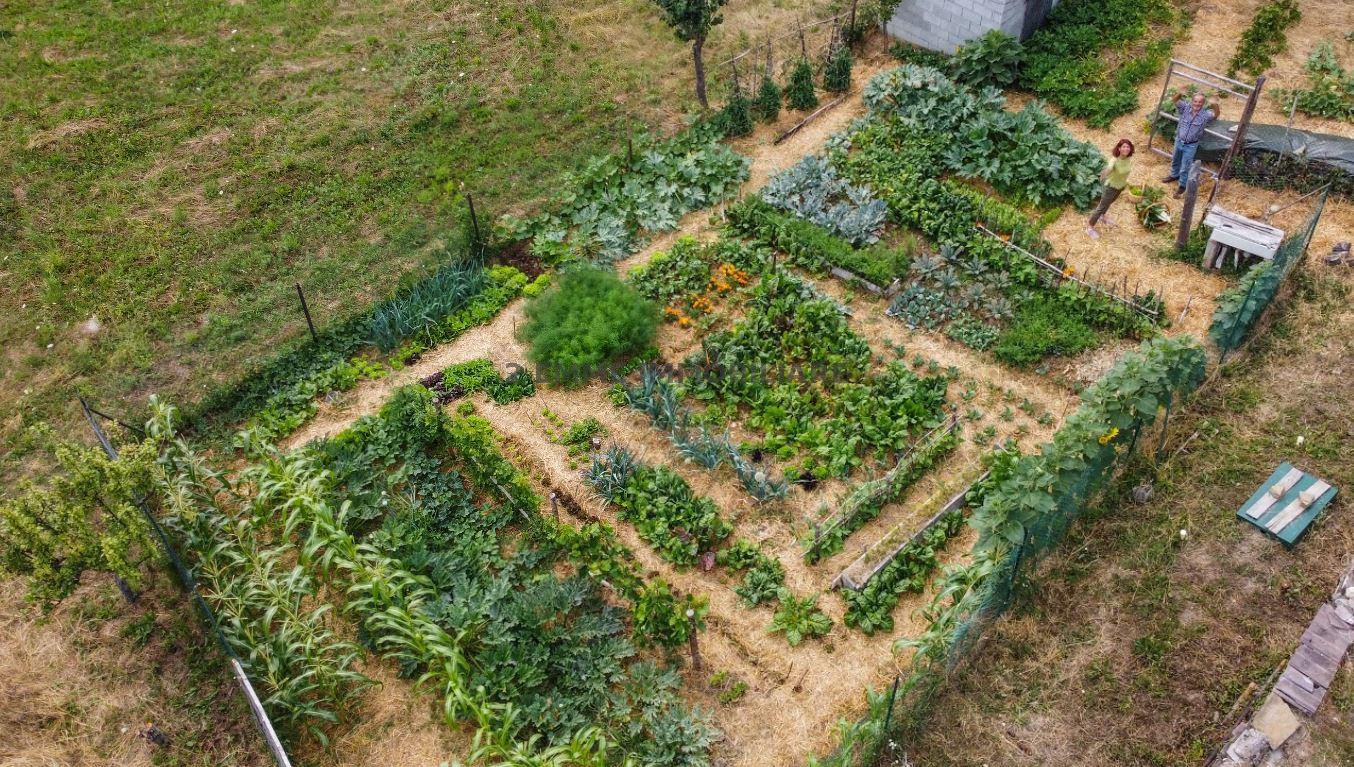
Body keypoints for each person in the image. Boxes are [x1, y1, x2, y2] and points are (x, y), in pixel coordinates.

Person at [1163, 90, 1218, 198]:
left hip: (1191, 145)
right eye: (1195, 101)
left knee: (1185, 166)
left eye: (1200, 102)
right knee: (1175, 160)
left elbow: (1216, 115)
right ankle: (1174, 175)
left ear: (1203, 104)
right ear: (1192, 101)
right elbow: (1174, 100)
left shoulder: (1205, 115)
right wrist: (1180, 92)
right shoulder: (1185, 108)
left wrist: (1215, 104)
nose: (1197, 104)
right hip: (1179, 141)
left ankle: (1182, 185)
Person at [1086, 138, 1134, 240]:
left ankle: (1103, 217)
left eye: (1128, 147)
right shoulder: (1114, 160)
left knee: (1108, 204)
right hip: (1110, 187)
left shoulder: (1128, 159)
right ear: (1119, 148)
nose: (1126, 148)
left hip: (1120, 187)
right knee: (1100, 208)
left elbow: (1125, 172)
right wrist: (1103, 175)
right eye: (1124, 147)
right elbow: (1109, 168)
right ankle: (1089, 228)